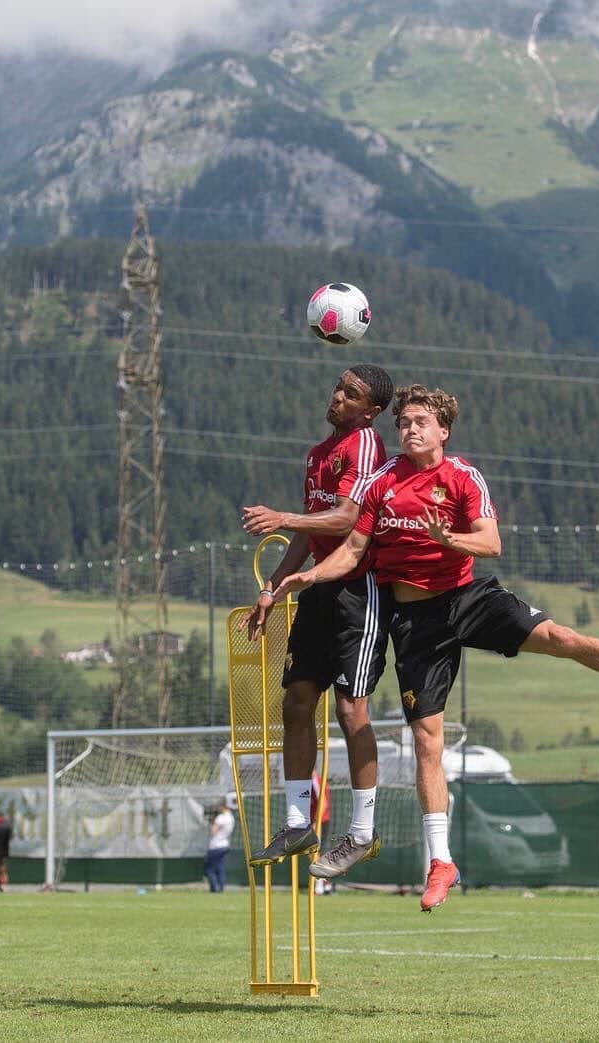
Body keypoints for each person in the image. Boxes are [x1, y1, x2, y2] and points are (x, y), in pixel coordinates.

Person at [270, 384, 599, 912]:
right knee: (427, 740)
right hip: (414, 622)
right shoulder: (381, 482)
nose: (409, 429)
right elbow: (355, 549)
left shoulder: (462, 477)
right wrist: (309, 576)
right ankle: (441, 863)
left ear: (443, 431)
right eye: (404, 422)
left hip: (467, 598)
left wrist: (449, 539)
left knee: (560, 638)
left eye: (420, 422)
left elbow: (491, 541)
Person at [241, 364, 395, 884]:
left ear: (369, 411)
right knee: (297, 700)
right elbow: (309, 535)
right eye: (337, 387)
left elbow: (349, 519)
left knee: (352, 710)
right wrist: (270, 588)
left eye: (350, 394)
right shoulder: (317, 455)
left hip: (359, 589)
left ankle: (362, 829)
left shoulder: (366, 444)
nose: (337, 397)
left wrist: (283, 518)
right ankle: (295, 822)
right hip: (317, 589)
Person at [204, 797, 236, 893]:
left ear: (223, 806)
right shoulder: (231, 817)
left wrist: (211, 823)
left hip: (216, 846)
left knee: (209, 869)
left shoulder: (221, 818)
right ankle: (221, 887)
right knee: (220, 867)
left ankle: (213, 888)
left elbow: (213, 831)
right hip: (225, 845)